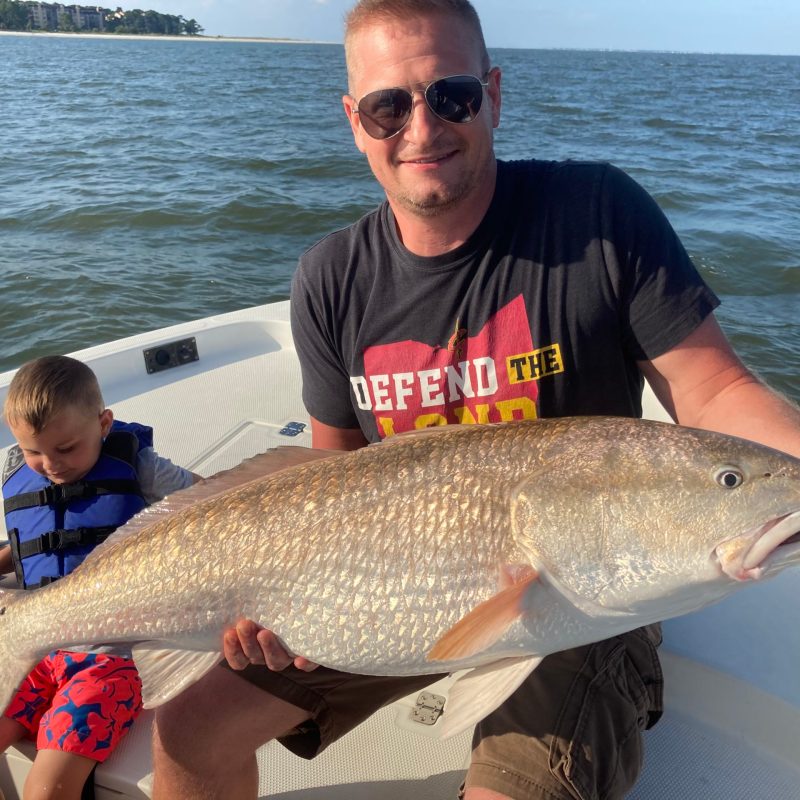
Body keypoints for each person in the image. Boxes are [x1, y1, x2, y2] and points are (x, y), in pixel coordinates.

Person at [151, 1, 800, 798]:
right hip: (374, 600)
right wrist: (284, 610)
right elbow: (328, 480)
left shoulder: (598, 215)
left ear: (493, 93)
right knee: (186, 734)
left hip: (578, 595)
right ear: (354, 121)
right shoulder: (329, 276)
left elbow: (715, 388)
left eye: (450, 94)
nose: (421, 128)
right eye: (389, 106)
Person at [0, 355, 197, 800]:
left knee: (47, 790)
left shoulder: (141, 468)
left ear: (104, 423)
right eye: (33, 452)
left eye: (65, 449)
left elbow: (215, 504)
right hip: (34, 642)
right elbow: (40, 544)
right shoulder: (20, 475)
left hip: (109, 657)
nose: (50, 464)